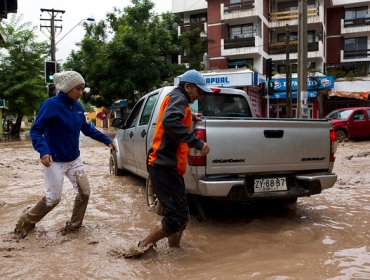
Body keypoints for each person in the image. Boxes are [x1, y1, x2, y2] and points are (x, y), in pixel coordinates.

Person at [14, 71, 116, 239]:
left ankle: (74, 228)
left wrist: (106, 140)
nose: (80, 92)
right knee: (53, 199)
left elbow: (86, 128)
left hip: (74, 159)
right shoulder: (50, 105)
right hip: (54, 161)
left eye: (83, 89)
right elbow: (36, 131)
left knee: (85, 192)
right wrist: (43, 151)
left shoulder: (77, 106)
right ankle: (26, 222)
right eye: (78, 89)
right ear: (68, 88)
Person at [124, 69, 211, 258]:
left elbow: (174, 117)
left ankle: (174, 251)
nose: (200, 96)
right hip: (164, 165)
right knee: (177, 217)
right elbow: (171, 121)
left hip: (166, 165)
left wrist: (192, 118)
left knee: (181, 215)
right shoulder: (178, 99)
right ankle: (139, 247)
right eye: (199, 91)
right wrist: (197, 142)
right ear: (188, 87)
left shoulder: (178, 99)